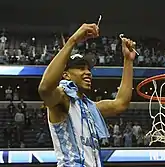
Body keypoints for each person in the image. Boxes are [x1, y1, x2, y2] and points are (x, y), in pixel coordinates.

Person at [38, 23, 135, 167]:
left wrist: (128, 60)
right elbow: (45, 88)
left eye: (88, 69)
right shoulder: (62, 97)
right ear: (66, 75)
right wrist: (73, 40)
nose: (88, 72)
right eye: (80, 68)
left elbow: (121, 103)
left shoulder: (88, 107)